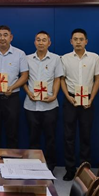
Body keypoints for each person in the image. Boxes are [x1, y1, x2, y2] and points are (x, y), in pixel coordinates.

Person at [60, 28, 99, 181]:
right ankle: (70, 169)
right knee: (69, 136)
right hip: (70, 99)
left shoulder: (94, 58)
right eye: (75, 39)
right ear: (71, 41)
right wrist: (67, 96)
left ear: (86, 41)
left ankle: (85, 169)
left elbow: (98, 79)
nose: (78, 42)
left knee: (85, 135)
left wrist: (91, 99)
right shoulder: (65, 58)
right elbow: (61, 80)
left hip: (87, 100)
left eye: (81, 39)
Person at [23, 31, 64, 173]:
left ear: (49, 43)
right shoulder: (27, 59)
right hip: (31, 105)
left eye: (44, 40)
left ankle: (50, 166)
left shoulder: (56, 59)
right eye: (38, 40)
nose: (41, 42)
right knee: (33, 138)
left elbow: (58, 78)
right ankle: (33, 166)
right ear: (35, 42)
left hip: (50, 105)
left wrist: (54, 95)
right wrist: (28, 93)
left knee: (50, 138)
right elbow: (23, 78)